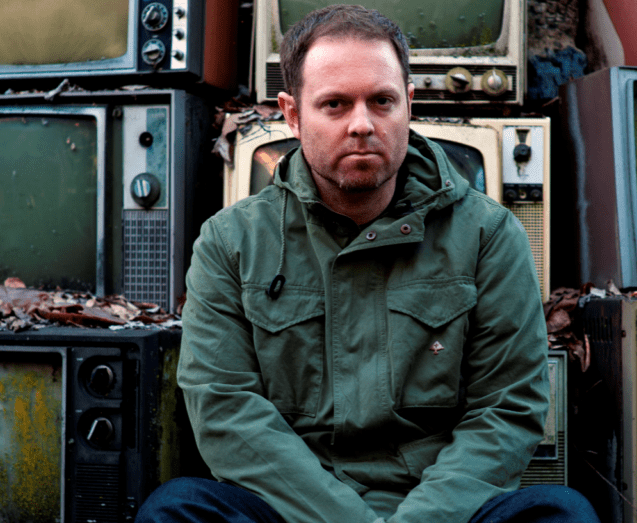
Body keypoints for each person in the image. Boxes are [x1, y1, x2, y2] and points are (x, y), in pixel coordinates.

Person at [136, 5, 600, 523]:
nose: (362, 125)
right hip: (291, 511)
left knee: (561, 512)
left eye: (382, 101)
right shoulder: (229, 243)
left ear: (410, 103)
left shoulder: (489, 236)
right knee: (175, 510)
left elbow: (507, 411)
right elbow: (226, 412)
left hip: (446, 510)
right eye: (334, 104)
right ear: (291, 114)